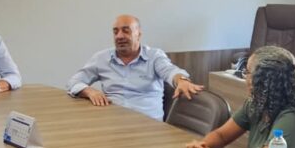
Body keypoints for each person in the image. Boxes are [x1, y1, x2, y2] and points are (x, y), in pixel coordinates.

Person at [66, 14, 202, 120]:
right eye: (115, 32)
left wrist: (181, 80)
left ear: (139, 34)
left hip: (148, 125)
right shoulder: (101, 58)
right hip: (111, 121)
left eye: (126, 31)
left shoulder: (154, 56)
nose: (119, 36)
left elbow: (170, 71)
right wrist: (90, 91)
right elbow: (73, 82)